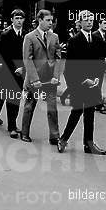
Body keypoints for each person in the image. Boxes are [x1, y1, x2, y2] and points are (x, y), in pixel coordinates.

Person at [58, 10, 106, 155]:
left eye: (91, 20)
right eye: (86, 20)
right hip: (79, 85)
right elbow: (69, 68)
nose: (89, 22)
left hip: (93, 84)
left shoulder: (97, 39)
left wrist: (97, 78)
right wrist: (81, 81)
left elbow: (99, 61)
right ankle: (63, 139)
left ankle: (89, 144)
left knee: (90, 115)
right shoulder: (74, 41)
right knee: (76, 112)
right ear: (79, 22)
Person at [21, 9, 62, 144]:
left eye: (52, 20)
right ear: (40, 20)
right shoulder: (30, 37)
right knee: (29, 107)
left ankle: (54, 136)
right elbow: (28, 59)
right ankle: (25, 133)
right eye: (48, 20)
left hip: (50, 80)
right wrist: (35, 79)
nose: (51, 23)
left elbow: (58, 58)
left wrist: (56, 76)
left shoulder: (54, 37)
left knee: (52, 108)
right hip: (35, 80)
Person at [0, 9, 27, 139]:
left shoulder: (26, 35)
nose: (19, 21)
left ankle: (13, 124)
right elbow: (3, 56)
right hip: (9, 72)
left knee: (16, 99)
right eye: (17, 18)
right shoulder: (5, 35)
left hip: (22, 72)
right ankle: (11, 127)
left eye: (21, 18)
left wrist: (23, 68)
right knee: (11, 99)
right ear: (12, 20)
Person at [93, 18, 106, 114]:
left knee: (98, 84)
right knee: (97, 83)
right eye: (104, 23)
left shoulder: (104, 36)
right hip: (95, 64)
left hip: (101, 64)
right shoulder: (95, 35)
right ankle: (99, 105)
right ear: (99, 24)